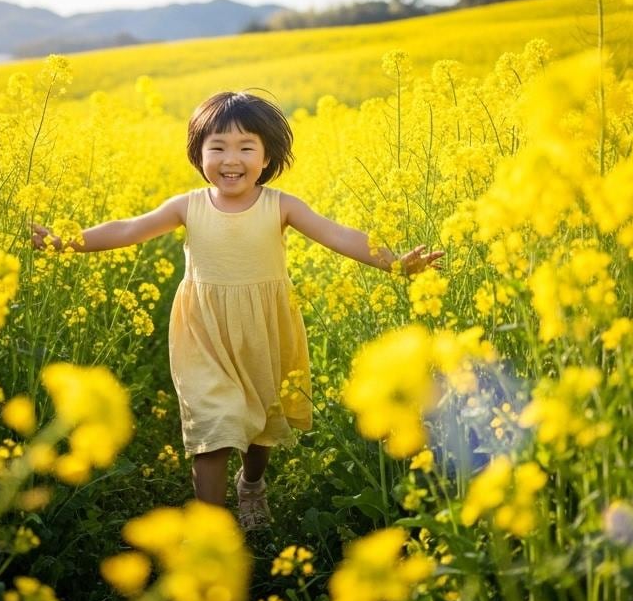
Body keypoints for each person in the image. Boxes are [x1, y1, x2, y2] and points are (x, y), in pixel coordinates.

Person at [32, 91, 444, 531]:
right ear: (199, 154)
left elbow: (337, 234)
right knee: (213, 425)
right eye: (218, 147)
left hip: (264, 327)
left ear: (267, 158)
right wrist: (65, 242)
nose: (232, 158)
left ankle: (251, 486)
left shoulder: (280, 205)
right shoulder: (187, 206)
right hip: (203, 330)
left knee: (260, 421)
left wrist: (395, 262)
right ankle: (211, 527)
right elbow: (130, 228)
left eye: (246, 147)